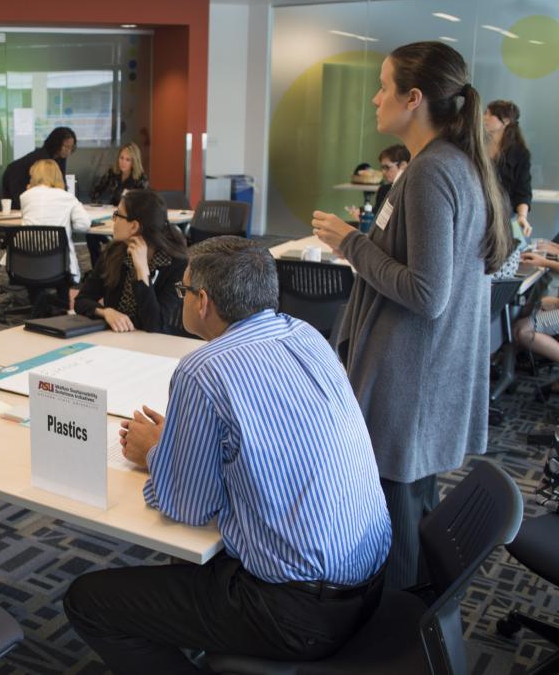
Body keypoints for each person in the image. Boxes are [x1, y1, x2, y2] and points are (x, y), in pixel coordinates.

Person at [63, 237, 391, 674]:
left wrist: (158, 452)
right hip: (372, 582)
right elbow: (270, 436)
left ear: (202, 302)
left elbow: (188, 507)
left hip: (297, 612)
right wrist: (181, 440)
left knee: (87, 601)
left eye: (182, 291)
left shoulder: (205, 369)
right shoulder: (307, 335)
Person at [312, 41, 511, 590]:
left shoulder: (430, 173)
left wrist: (350, 241)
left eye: (383, 86)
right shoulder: (450, 165)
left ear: (414, 98)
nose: (376, 98)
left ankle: (397, 645)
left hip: (409, 384)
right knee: (412, 516)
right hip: (422, 380)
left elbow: (427, 292)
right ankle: (416, 630)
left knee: (394, 538)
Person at [74, 190, 187, 334]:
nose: (113, 220)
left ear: (134, 226)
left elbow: (156, 325)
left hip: (159, 345)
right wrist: (106, 312)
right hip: (116, 339)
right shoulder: (113, 252)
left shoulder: (179, 266)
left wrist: (142, 271)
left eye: (118, 215)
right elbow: (82, 300)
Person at [20, 159, 93, 284]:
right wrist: (69, 223)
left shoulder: (25, 196)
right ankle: (61, 299)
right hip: (59, 267)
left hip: (27, 265)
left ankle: (36, 297)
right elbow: (84, 224)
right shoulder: (67, 197)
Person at [485, 100, 533, 238]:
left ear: (505, 121)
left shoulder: (519, 154)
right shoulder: (476, 146)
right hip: (476, 215)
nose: (484, 118)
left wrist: (522, 216)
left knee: (511, 251)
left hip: (502, 220)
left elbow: (523, 190)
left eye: (489, 114)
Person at [1, 126, 77, 209]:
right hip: (15, 178)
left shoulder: (60, 157)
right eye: (66, 147)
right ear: (56, 144)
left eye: (71, 147)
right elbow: (45, 187)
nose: (68, 151)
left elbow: (60, 182)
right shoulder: (42, 159)